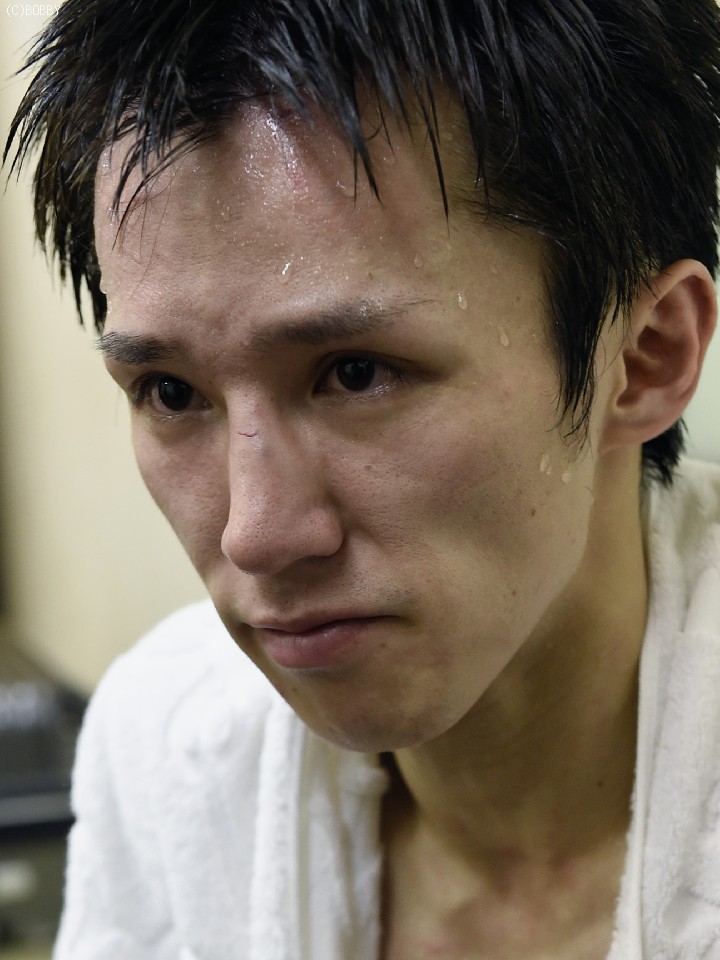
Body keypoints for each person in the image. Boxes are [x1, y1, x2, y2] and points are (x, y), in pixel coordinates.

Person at [5, 0, 720, 957]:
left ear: (645, 357)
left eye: (355, 373)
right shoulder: (167, 748)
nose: (256, 535)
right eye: (170, 392)